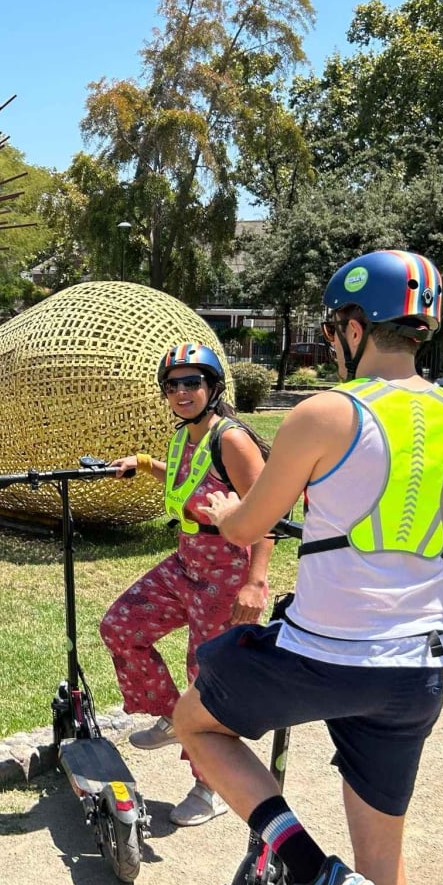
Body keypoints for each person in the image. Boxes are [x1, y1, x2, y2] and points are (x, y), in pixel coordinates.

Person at [175, 250, 443, 885]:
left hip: (320, 656)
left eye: (331, 331)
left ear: (356, 327)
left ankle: (306, 867)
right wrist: (430, 552)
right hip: (414, 673)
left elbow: (248, 524)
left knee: (194, 722)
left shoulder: (327, 411)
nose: (330, 344)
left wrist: (230, 510)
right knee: (382, 854)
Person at [98, 342, 275, 827]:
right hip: (186, 560)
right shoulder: (184, 436)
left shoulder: (231, 439)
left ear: (213, 387)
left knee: (206, 678)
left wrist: (255, 583)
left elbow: (269, 513)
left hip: (225, 572)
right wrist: (146, 465)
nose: (182, 391)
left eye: (193, 381)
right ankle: (171, 718)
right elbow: (190, 484)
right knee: (120, 626)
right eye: (173, 384)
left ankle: (210, 786)